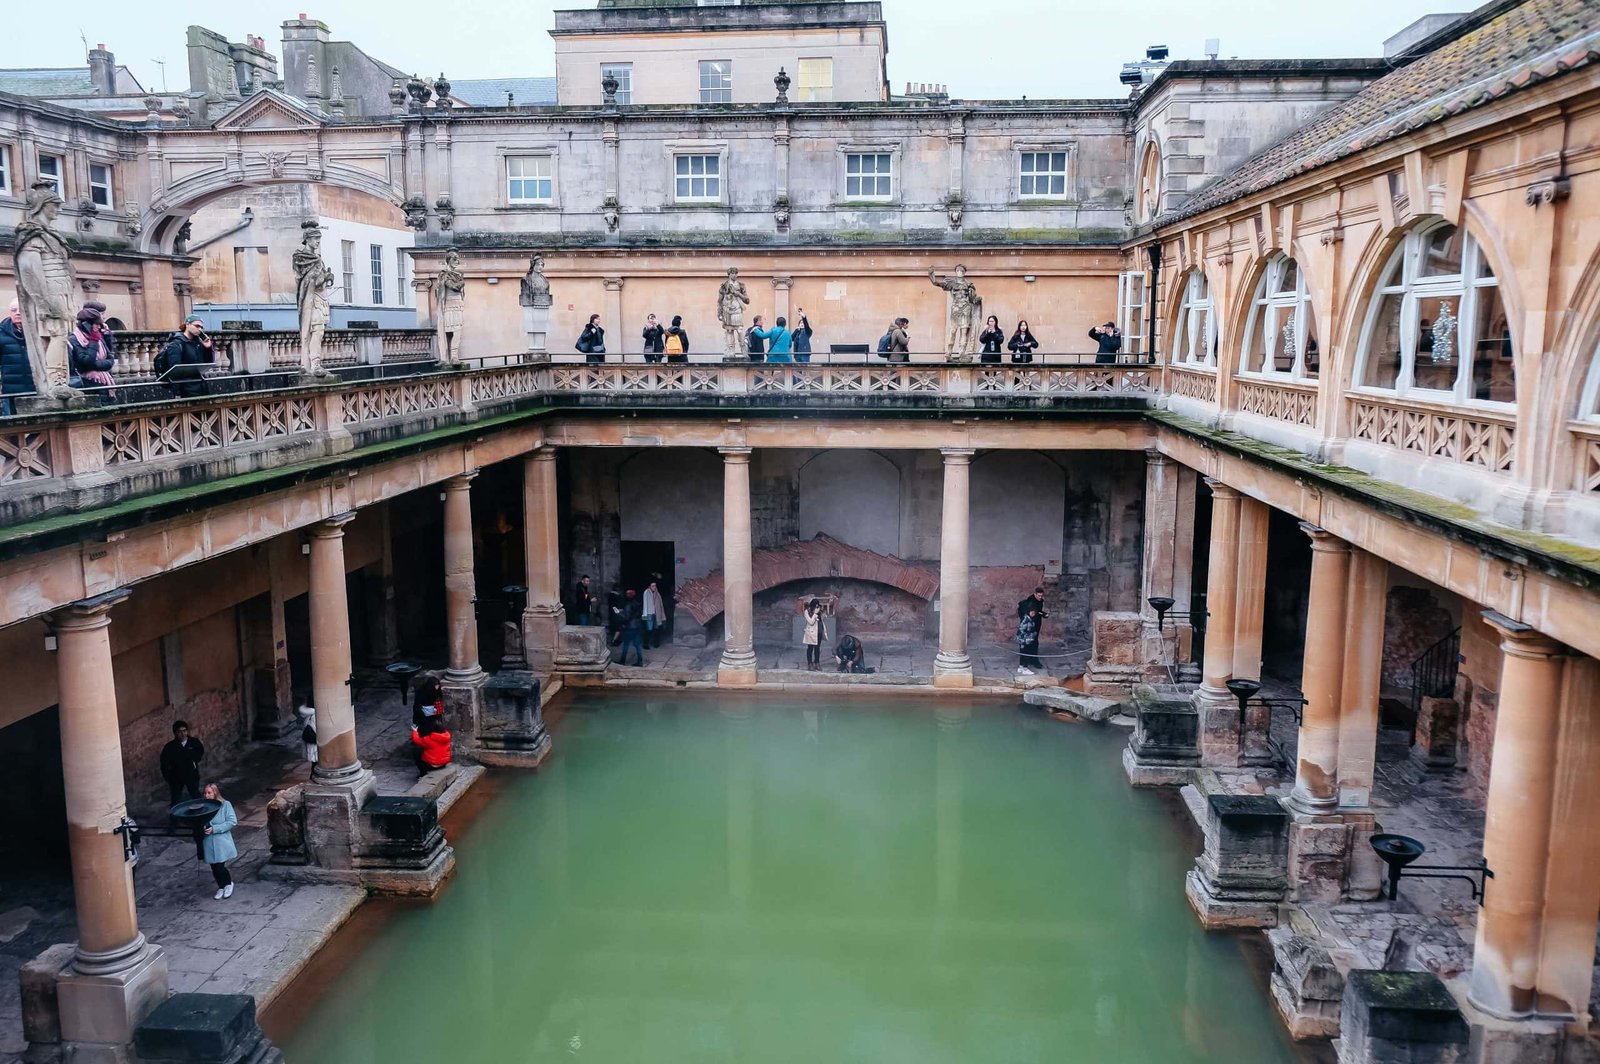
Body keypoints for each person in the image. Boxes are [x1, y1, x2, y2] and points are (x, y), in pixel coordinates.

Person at [156, 316, 217, 399]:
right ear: (187, 325)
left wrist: (208, 348)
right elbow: (174, 370)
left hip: (201, 386)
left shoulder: (198, 343)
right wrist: (177, 393)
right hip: (185, 389)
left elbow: (208, 363)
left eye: (201, 327)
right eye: (197, 326)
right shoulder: (176, 344)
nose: (200, 329)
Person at [68, 306, 117, 401]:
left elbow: (110, 360)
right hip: (89, 385)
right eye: (96, 324)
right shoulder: (74, 340)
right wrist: (93, 340)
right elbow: (87, 361)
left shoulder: (99, 336)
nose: (99, 327)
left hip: (106, 383)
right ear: (87, 324)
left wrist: (95, 365)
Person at [200, 782, 238, 900]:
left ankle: (228, 883)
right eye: (205, 793)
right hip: (208, 842)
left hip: (221, 841)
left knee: (220, 866)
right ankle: (221, 886)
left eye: (209, 793)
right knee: (214, 867)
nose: (207, 795)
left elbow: (232, 821)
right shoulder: (203, 807)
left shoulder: (225, 805)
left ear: (215, 793)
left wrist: (215, 829)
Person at [1, 298, 34, 415]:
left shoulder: (37, 332)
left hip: (34, 389)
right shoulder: (2, 333)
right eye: (14, 310)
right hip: (10, 391)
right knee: (12, 428)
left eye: (21, 309)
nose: (18, 313)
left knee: (37, 427)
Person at [160, 721, 205, 805]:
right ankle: (175, 817)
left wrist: (193, 761)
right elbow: (164, 763)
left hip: (191, 774)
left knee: (196, 794)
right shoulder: (170, 747)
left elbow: (200, 752)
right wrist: (169, 778)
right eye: (179, 732)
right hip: (176, 777)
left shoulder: (193, 742)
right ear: (175, 733)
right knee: (176, 799)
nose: (183, 734)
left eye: (184, 731)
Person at [617, 588, 644, 665]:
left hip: (630, 627)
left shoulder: (628, 605)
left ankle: (622, 660)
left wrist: (619, 613)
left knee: (626, 644)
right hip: (637, 626)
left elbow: (627, 617)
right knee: (637, 644)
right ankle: (640, 661)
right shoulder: (637, 603)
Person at [1016, 607, 1043, 677]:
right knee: (1025, 654)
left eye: (1034, 613)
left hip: (1027, 640)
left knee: (1023, 654)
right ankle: (1025, 668)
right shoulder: (1026, 620)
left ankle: (1021, 666)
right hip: (1025, 640)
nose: (1033, 614)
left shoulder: (1029, 618)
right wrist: (1022, 642)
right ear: (1029, 612)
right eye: (1032, 613)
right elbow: (1022, 631)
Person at [642, 580, 667, 649]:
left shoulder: (657, 593)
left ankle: (656, 643)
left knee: (657, 629)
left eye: (655, 585)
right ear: (649, 586)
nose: (654, 587)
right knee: (648, 629)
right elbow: (645, 604)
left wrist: (663, 616)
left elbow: (661, 605)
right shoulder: (646, 593)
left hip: (657, 614)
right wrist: (645, 615)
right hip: (649, 614)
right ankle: (645, 644)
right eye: (653, 586)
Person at [803, 598, 822, 670]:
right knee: (810, 648)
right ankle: (809, 663)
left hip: (819, 632)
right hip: (811, 633)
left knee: (817, 648)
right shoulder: (807, 611)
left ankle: (817, 662)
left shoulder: (819, 611)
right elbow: (810, 622)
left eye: (818, 606)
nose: (817, 608)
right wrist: (815, 614)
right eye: (816, 606)